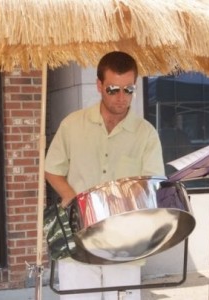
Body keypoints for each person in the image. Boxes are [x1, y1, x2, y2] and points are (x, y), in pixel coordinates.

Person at [45, 51, 165, 300]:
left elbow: (152, 184)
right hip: (78, 240)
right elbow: (52, 169)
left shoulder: (146, 134)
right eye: (113, 89)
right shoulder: (72, 125)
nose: (122, 98)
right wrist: (75, 201)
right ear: (99, 85)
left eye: (128, 90)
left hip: (125, 244)